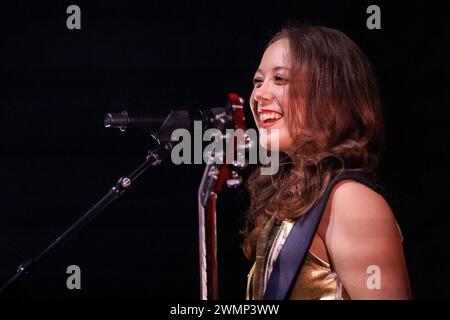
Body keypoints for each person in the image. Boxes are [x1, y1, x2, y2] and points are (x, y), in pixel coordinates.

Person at [243, 24, 412, 300]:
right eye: (258, 81)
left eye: (280, 79)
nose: (259, 96)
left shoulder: (351, 200)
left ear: (329, 94)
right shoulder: (293, 197)